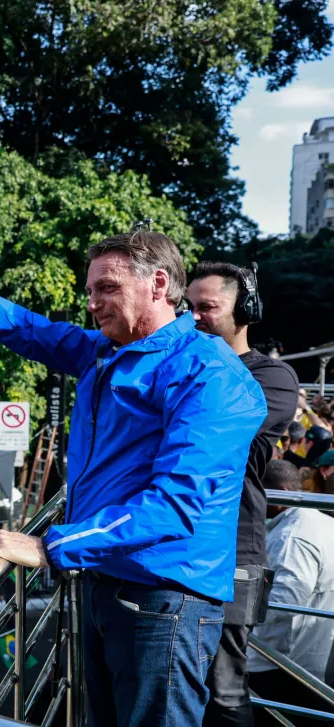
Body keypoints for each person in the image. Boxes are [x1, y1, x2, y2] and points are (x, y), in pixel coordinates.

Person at [0, 217, 266, 725]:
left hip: (164, 602)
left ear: (158, 284)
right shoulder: (104, 350)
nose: (91, 303)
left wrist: (50, 546)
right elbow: (28, 329)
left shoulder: (211, 373)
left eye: (107, 288)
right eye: (90, 290)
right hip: (107, 585)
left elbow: (174, 505)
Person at [187, 261, 300, 727]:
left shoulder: (274, 377)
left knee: (225, 692)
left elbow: (214, 432)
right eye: (186, 307)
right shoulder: (185, 363)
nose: (193, 318)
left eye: (207, 307)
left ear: (246, 311)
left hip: (236, 552)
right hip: (186, 550)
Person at [248, 459, 334, 726]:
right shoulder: (319, 522)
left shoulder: (292, 536)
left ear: (281, 493)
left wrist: (250, 650)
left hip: (283, 665)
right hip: (310, 661)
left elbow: (283, 604)